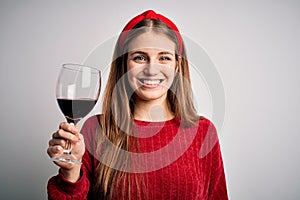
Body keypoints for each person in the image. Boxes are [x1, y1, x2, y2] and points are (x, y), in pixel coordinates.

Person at [47, 10, 228, 200]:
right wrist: (71, 171)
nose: (151, 70)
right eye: (139, 58)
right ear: (124, 64)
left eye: (164, 58)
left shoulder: (203, 132)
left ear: (177, 65)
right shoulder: (96, 130)